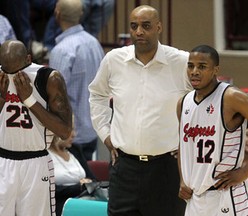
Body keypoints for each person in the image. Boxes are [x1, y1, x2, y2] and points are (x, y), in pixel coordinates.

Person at [88, 4, 192, 216]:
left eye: (146, 26)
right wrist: (105, 134)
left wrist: (187, 142)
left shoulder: (181, 61)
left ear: (159, 27)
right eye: (134, 26)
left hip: (166, 168)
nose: (139, 32)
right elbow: (97, 95)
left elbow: (204, 102)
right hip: (123, 166)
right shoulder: (114, 60)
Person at [177, 44, 248, 216]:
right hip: (195, 198)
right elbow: (184, 145)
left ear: (215, 70)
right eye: (191, 66)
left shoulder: (231, 97)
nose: (194, 71)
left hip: (227, 196)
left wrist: (246, 170)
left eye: (202, 66)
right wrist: (183, 179)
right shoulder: (183, 103)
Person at [0, 40, 72, 216]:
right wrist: (1, 100)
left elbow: (64, 131)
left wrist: (29, 100)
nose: (12, 76)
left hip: (35, 163)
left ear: (28, 59)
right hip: (2, 160)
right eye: (6, 70)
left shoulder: (49, 78)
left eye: (16, 71)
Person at [49, 0, 104, 161]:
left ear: (57, 14)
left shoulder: (62, 50)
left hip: (69, 135)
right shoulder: (94, 43)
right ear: (81, 15)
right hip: (92, 130)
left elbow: (55, 96)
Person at [48, 128, 96, 216]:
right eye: (70, 130)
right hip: (58, 204)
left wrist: (84, 186)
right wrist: (79, 187)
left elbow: (93, 180)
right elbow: (48, 190)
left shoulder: (75, 149)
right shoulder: (45, 155)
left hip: (83, 199)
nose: (74, 135)